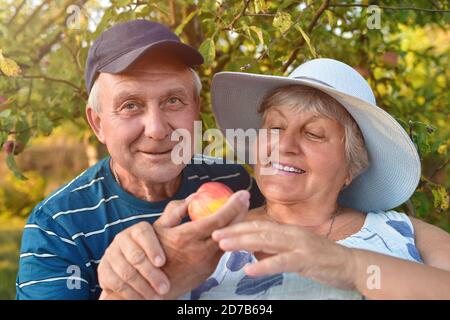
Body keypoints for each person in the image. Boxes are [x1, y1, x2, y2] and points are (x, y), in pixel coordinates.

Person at [15, 20, 264, 300]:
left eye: (173, 101)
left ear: (196, 110)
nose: (156, 129)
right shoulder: (58, 225)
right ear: (97, 124)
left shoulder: (235, 183)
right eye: (130, 105)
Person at [177, 58, 450, 299]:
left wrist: (349, 266)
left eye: (314, 133)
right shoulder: (209, 237)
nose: (285, 145)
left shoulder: (408, 234)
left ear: (351, 165)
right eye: (276, 127)